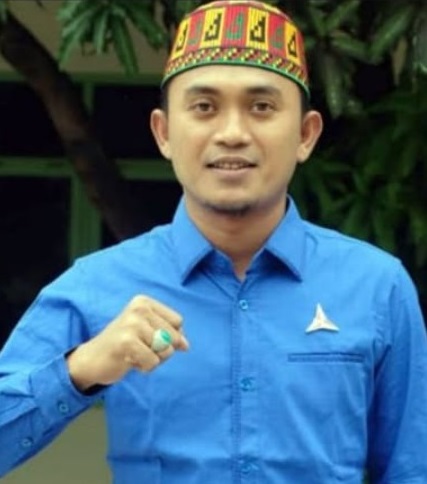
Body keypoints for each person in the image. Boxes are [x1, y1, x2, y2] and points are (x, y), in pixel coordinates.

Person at [1, 0, 426, 482]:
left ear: (306, 135)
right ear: (163, 133)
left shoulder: (376, 286)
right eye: (204, 107)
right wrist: (81, 368)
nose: (232, 133)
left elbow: (413, 468)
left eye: (261, 107)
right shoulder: (98, 285)